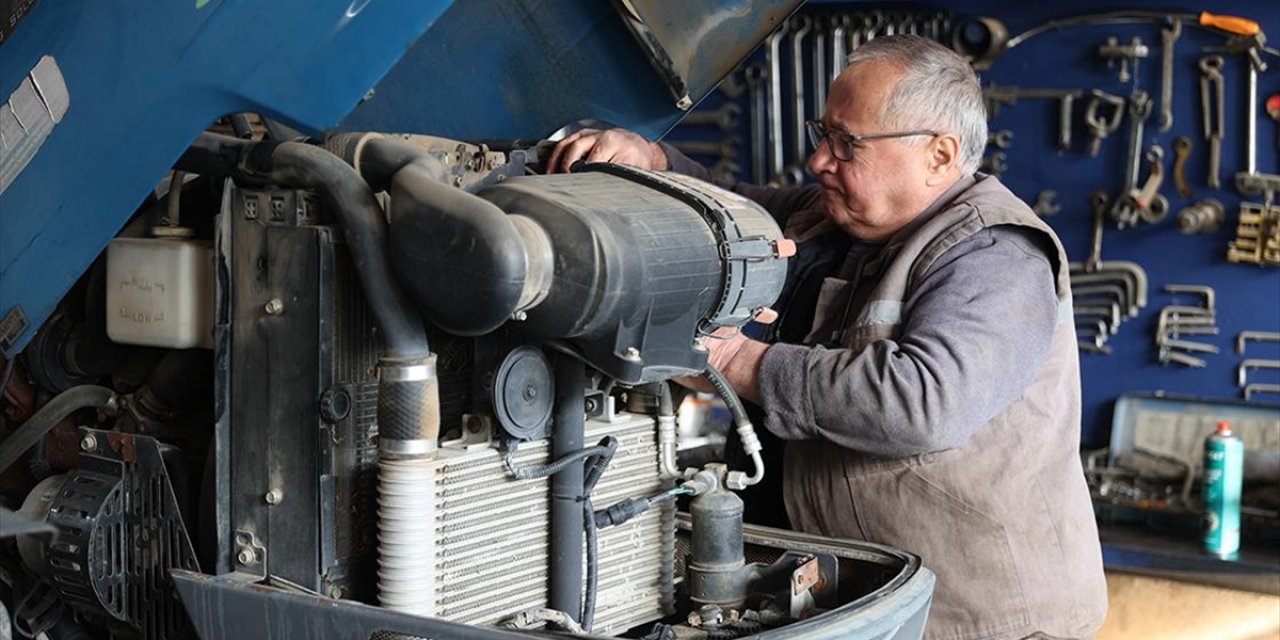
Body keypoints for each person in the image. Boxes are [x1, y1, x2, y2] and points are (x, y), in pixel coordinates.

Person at [548, 35, 1108, 640]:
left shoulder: (995, 253)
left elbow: (922, 402)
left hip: (974, 620)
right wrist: (654, 162)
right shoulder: (830, 217)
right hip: (855, 602)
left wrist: (737, 360)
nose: (819, 160)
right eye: (824, 134)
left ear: (940, 156)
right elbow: (738, 211)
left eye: (847, 143)